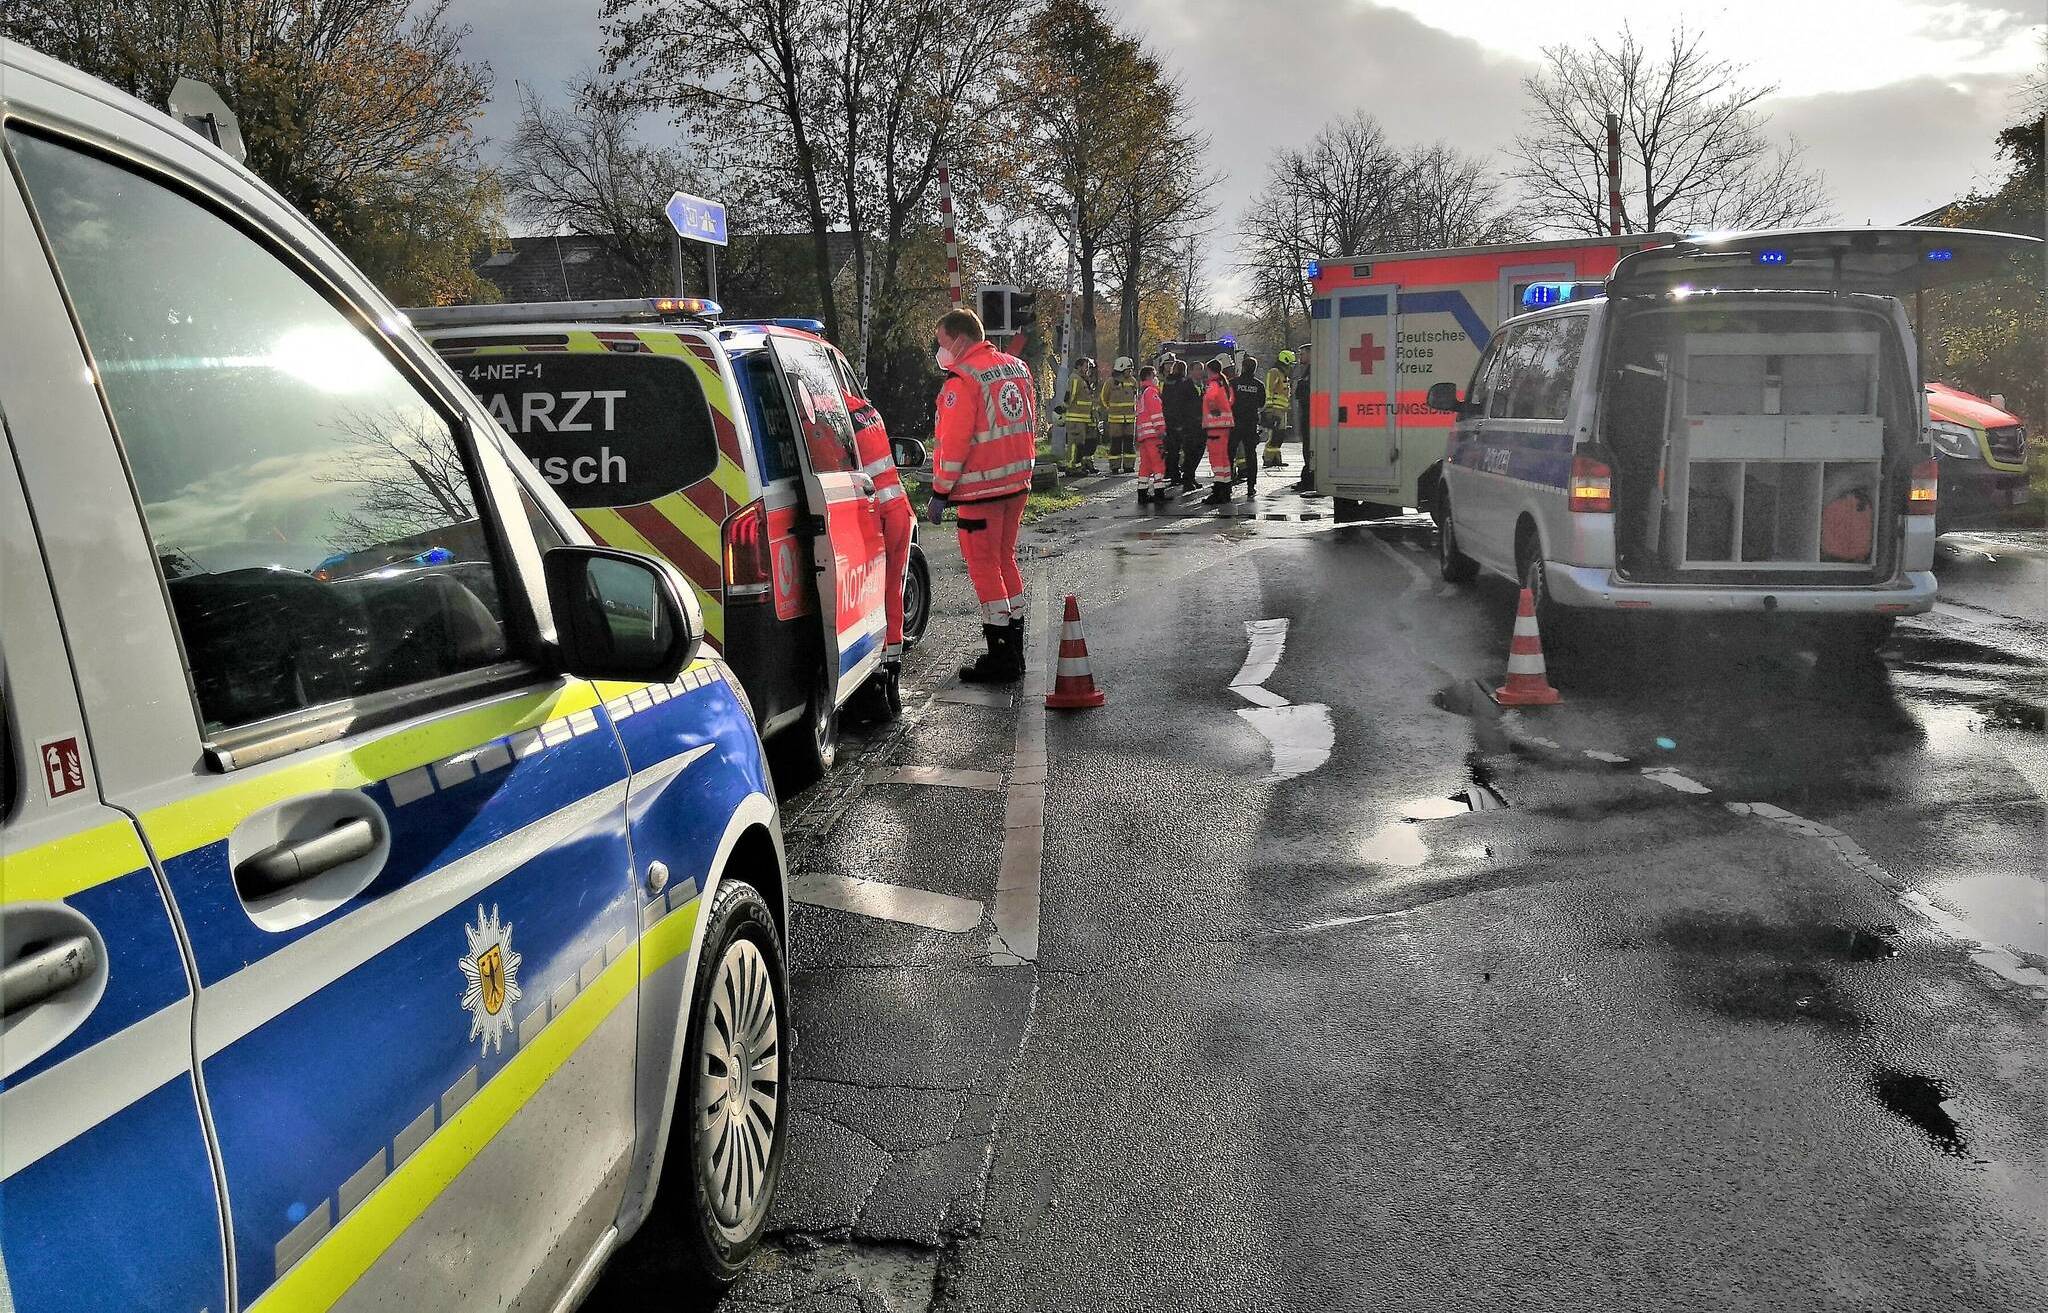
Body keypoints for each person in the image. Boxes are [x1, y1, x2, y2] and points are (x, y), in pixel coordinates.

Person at [928, 307, 1037, 683]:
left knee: (984, 567)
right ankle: (1016, 650)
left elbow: (954, 444)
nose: (940, 352)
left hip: (980, 489)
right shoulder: (1016, 368)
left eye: (942, 343)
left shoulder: (962, 381)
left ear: (959, 339)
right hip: (1016, 483)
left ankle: (1002, 658)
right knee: (1005, 560)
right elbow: (1028, 423)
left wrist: (940, 491)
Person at [846, 386, 913, 671]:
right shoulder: (866, 410)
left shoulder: (832, 414)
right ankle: (892, 671)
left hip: (875, 516)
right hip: (898, 508)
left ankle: (874, 672)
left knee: (868, 597)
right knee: (891, 592)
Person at [1161, 359, 1203, 494]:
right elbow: (1182, 404)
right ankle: (1186, 477)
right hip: (1184, 422)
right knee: (1188, 450)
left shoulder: (1167, 382)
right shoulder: (1184, 384)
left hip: (1173, 420)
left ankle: (1178, 475)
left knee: (1175, 450)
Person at [1200, 358, 1237, 504]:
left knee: (1216, 460)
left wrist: (1213, 408)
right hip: (1225, 426)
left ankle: (1218, 491)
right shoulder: (1224, 383)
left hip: (1215, 426)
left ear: (1210, 370)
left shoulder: (1213, 384)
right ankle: (1226, 490)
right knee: (1224, 460)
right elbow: (1231, 400)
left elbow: (1210, 398)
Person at [1231, 355, 1267, 496]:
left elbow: (1228, 401)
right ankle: (1251, 486)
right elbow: (1261, 404)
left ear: (1243, 367)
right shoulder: (1258, 385)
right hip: (1250, 424)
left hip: (1234, 423)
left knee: (1230, 453)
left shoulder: (1233, 383)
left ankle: (1227, 483)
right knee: (1251, 455)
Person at [1133, 364, 1167, 506]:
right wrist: (1161, 430)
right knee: (1158, 463)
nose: (1156, 379)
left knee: (1145, 465)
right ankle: (1159, 493)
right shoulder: (1151, 392)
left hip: (1143, 435)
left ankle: (1142, 493)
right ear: (1149, 377)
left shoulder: (1142, 392)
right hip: (1153, 434)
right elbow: (1156, 413)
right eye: (1154, 376)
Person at [1062, 357, 1101, 475]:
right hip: (1076, 418)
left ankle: (1082, 465)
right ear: (1079, 366)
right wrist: (1063, 409)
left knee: (1084, 443)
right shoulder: (1075, 378)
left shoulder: (1083, 379)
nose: (1087, 369)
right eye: (1086, 366)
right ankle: (1072, 467)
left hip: (1083, 418)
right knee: (1075, 443)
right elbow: (1070, 396)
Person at [1100, 356, 1138, 475]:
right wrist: (1110, 409)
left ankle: (1129, 466)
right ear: (1121, 368)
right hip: (1115, 419)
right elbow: (1103, 398)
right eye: (1128, 369)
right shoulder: (1110, 382)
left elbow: (1136, 397)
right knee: (1116, 443)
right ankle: (1114, 466)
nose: (1130, 371)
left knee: (1129, 444)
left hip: (1130, 419)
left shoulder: (1133, 381)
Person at [1262, 349, 1295, 468]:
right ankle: (1268, 458)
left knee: (1280, 435)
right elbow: (1269, 390)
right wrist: (1269, 408)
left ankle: (1276, 458)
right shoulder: (1274, 372)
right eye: (1290, 364)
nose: (1291, 367)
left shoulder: (1283, 374)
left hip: (1282, 410)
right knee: (1274, 435)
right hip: (1275, 409)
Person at [1292, 344, 1317, 492]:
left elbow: (1305, 393)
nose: (1300, 357)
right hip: (1307, 415)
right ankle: (1308, 478)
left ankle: (1309, 480)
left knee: (1310, 448)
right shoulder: (1308, 371)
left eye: (1302, 354)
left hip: (1312, 416)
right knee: (1307, 448)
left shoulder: (1315, 371)